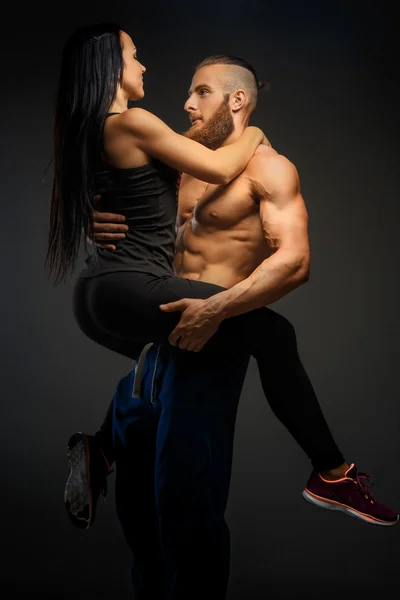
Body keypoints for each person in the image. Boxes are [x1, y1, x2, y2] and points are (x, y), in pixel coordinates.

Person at [50, 24, 397, 599]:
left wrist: (217, 311)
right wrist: (97, 216)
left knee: (184, 511)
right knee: (140, 523)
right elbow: (127, 205)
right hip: (157, 342)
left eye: (202, 92)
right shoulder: (176, 162)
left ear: (238, 99)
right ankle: (107, 444)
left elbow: (295, 262)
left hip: (206, 348)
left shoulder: (268, 169)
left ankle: (333, 474)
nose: (186, 101)